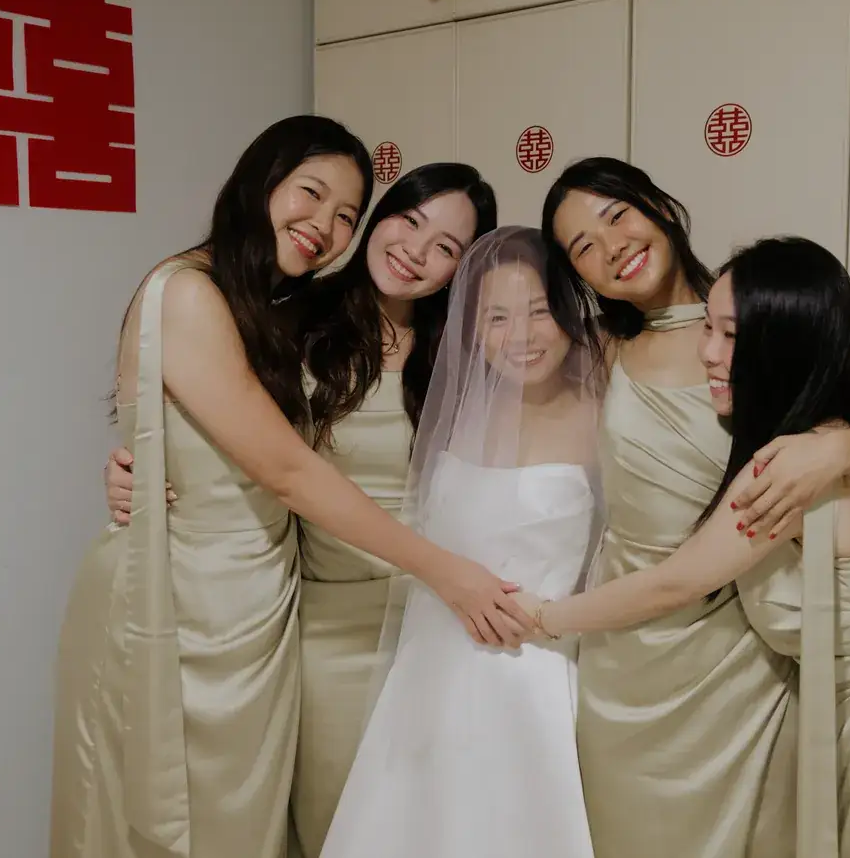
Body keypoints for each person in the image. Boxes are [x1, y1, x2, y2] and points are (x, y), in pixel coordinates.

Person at [50, 118, 530, 858]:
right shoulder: (273, 314)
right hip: (263, 606)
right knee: (183, 814)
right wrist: (138, 466)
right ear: (262, 180)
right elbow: (284, 466)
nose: (328, 226)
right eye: (313, 195)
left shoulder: (462, 347)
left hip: (310, 609)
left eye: (345, 213)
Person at [518, 236, 850, 858]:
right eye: (708, 328)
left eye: (731, 336)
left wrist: (539, 617)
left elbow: (673, 583)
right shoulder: (835, 435)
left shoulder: (789, 467)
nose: (707, 352)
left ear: (782, 347)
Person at [319, 226, 607, 858]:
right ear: (470, 329)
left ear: (568, 309)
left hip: (535, 672)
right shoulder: (454, 405)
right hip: (433, 660)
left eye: (538, 312)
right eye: (497, 318)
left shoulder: (605, 408)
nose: (522, 336)